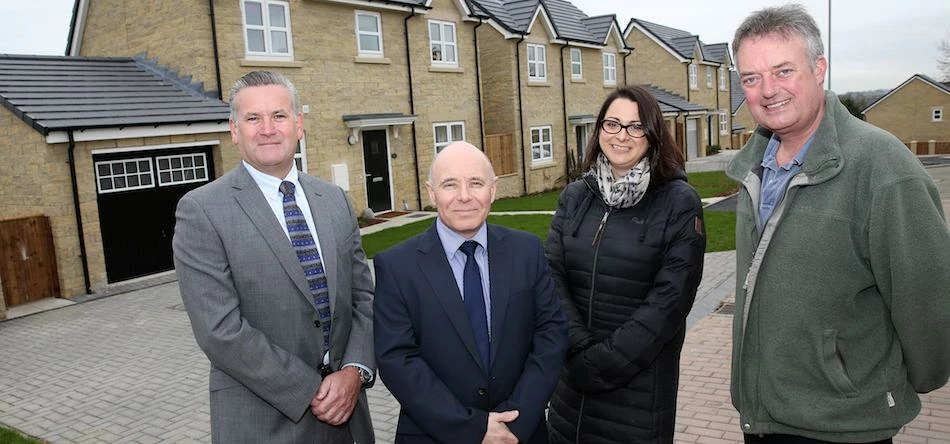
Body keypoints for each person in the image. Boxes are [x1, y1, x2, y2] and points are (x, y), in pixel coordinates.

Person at [727, 5, 950, 443]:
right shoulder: (754, 167)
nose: (768, 90)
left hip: (843, 426)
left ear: (820, 68)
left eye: (784, 70)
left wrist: (891, 386)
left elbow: (929, 305)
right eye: (751, 78)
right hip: (763, 417)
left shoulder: (883, 167)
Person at [172, 71, 376, 444]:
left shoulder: (334, 200)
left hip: (350, 419)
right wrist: (311, 390)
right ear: (235, 130)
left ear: (298, 124)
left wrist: (354, 372)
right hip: (264, 422)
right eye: (253, 118)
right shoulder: (201, 211)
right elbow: (219, 330)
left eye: (279, 116)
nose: (268, 128)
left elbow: (364, 297)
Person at [373, 141, 568, 444]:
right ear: (431, 192)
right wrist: (474, 428)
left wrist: (515, 420)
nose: (464, 196)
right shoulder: (398, 266)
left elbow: (551, 335)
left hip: (520, 432)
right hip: (433, 434)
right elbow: (398, 360)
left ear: (493, 189)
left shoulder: (527, 251)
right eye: (450, 184)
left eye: (476, 183)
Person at [544, 86, 707, 443]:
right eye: (613, 123)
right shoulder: (575, 197)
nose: (621, 135)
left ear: (652, 134)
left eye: (635, 127)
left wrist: (601, 363)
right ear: (599, 129)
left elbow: (669, 302)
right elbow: (551, 277)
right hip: (570, 391)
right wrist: (576, 350)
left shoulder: (679, 203)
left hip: (637, 394)